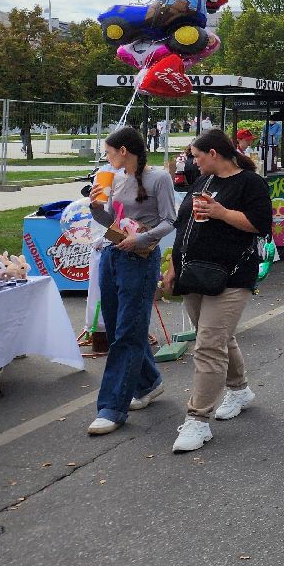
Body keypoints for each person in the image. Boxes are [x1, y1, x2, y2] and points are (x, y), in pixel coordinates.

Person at [164, 129, 272, 453]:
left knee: (208, 345)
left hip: (232, 276)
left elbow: (261, 224)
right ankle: (239, 389)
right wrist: (173, 266)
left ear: (214, 153)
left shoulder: (250, 183)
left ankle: (198, 421)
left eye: (197, 156)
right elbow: (184, 226)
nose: (193, 162)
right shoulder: (201, 182)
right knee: (217, 338)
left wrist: (221, 213)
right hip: (194, 274)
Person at [85, 127, 179, 436]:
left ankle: (112, 408)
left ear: (124, 150)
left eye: (110, 152)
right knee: (118, 330)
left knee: (127, 332)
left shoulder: (159, 178)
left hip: (139, 260)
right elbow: (112, 220)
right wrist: (96, 209)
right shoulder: (115, 180)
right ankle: (149, 382)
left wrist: (142, 237)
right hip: (113, 256)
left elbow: (169, 220)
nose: (107, 157)